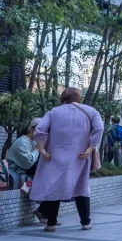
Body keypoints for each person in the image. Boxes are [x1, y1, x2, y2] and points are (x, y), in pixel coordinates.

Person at [31, 87, 104, 232]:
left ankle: (51, 223)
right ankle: (85, 222)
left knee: (54, 188)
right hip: (80, 156)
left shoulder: (53, 112)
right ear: (79, 97)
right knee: (81, 188)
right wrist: (89, 149)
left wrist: (42, 149)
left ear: (63, 98)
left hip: (54, 157)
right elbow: (99, 129)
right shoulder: (91, 111)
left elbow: (39, 130)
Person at [6, 118, 41, 190]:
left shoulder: (33, 142)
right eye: (39, 130)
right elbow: (28, 162)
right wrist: (37, 149)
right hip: (14, 172)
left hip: (23, 172)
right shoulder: (22, 142)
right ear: (31, 129)